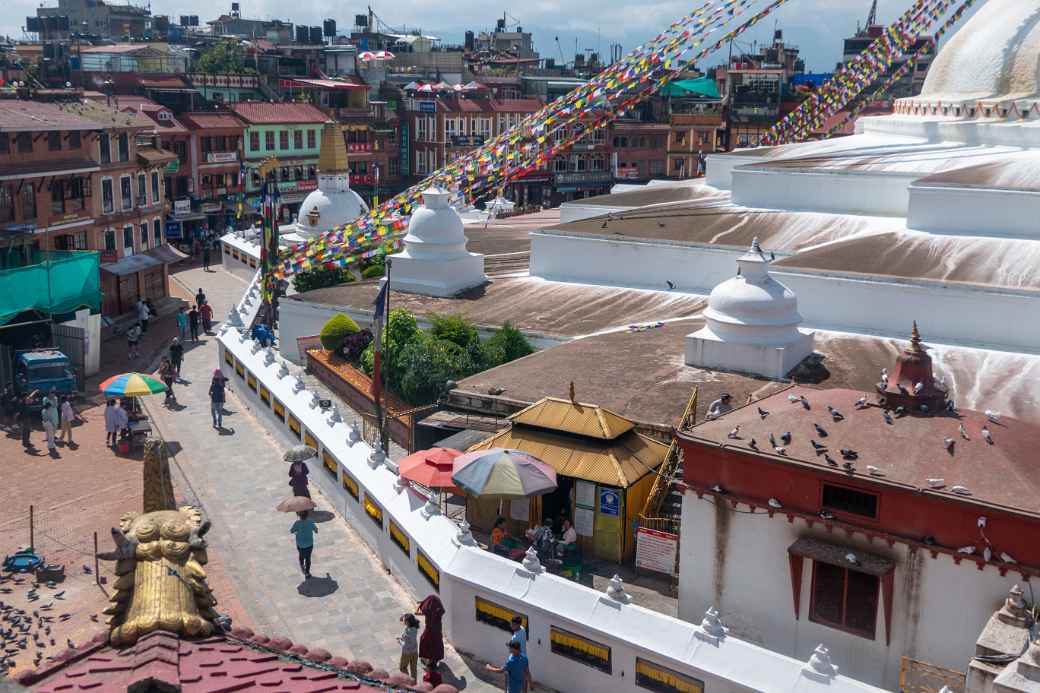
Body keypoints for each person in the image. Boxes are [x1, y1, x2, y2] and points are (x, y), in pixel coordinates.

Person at [415, 594, 445, 668]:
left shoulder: (429, 613)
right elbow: (433, 607)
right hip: (437, 630)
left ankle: (428, 658)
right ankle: (435, 658)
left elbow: (417, 612)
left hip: (430, 630)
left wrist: (419, 606)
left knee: (424, 641)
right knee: (437, 644)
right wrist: (423, 603)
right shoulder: (438, 611)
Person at [290, 510, 318, 578]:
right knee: (308, 558)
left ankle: (302, 566)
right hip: (309, 544)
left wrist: (296, 532)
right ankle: (307, 572)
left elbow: (291, 531)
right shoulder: (310, 522)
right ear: (307, 515)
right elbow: (316, 530)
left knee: (301, 555)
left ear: (299, 515)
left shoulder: (297, 523)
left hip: (300, 544)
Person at [397, 614, 420, 682]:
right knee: (413, 669)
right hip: (415, 652)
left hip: (407, 653)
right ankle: (414, 682)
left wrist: (400, 642)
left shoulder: (408, 632)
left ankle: (409, 681)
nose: (403, 621)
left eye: (405, 620)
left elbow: (405, 645)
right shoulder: (415, 628)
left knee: (402, 667)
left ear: (408, 622)